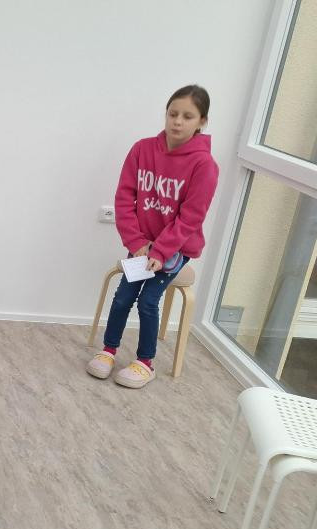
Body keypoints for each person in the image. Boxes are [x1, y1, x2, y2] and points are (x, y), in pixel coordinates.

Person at [86, 85, 219, 388]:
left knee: (147, 301)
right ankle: (108, 350)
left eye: (187, 116)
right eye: (173, 114)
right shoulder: (142, 149)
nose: (177, 122)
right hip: (141, 245)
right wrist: (137, 243)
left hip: (175, 248)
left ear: (202, 121)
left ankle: (145, 362)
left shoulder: (204, 166)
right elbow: (124, 198)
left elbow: (191, 217)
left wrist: (160, 252)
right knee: (123, 297)